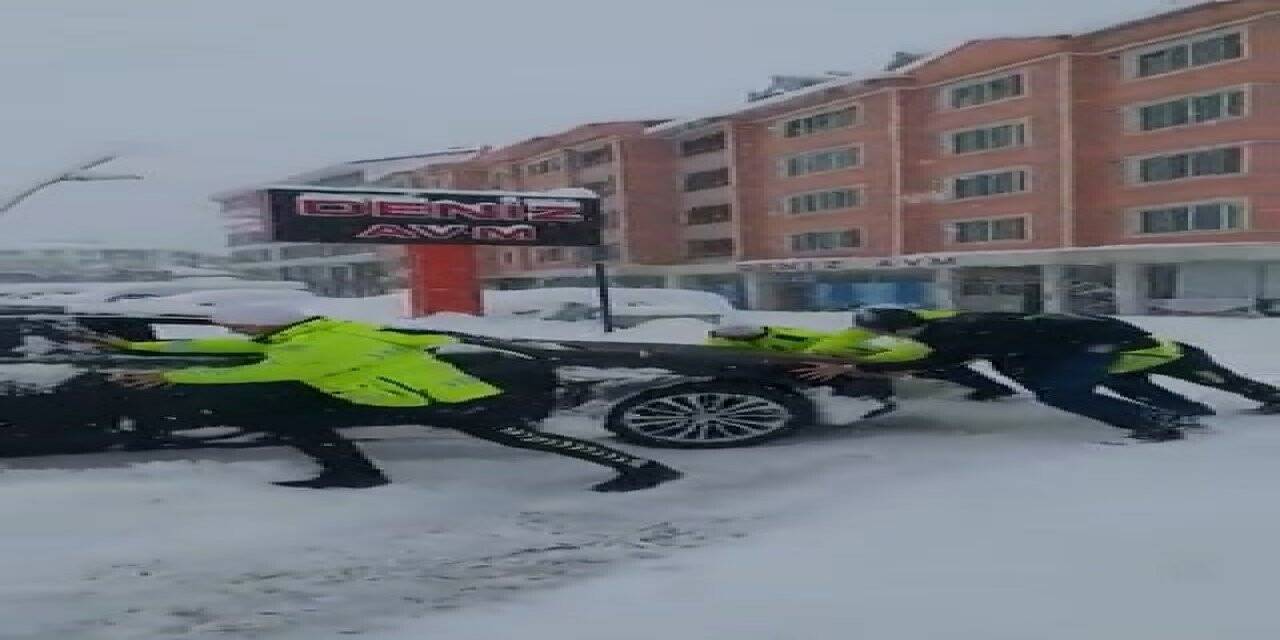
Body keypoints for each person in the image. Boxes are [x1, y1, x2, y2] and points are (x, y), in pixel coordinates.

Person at [95, 303, 682, 492]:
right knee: (299, 418)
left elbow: (241, 373)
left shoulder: (305, 349)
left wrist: (169, 378)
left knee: (522, 437)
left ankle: (644, 467)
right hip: (411, 393)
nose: (236, 335)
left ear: (261, 326)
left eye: (240, 328)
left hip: (440, 399)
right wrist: (142, 350)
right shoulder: (329, 327)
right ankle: (353, 473)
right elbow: (232, 354)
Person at [832, 307, 1187, 442]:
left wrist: (856, 368)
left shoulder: (950, 336)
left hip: (1089, 344)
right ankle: (1168, 414)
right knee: (1063, 388)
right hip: (1077, 341)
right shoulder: (949, 324)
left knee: (1060, 393)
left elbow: (931, 363)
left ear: (896, 332)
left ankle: (1156, 423)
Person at [707, 323, 1018, 417]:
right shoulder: (727, 345)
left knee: (934, 369)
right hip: (845, 360)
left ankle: (994, 388)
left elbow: (827, 340)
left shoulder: (778, 331)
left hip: (861, 355)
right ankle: (990, 388)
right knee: (931, 371)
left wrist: (844, 359)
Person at [1106, 337, 1280, 416]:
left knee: (1225, 381)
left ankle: (1273, 396)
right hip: (1127, 367)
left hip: (1179, 358)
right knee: (1131, 387)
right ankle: (1190, 411)